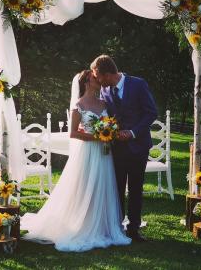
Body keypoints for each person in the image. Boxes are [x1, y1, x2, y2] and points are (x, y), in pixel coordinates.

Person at [20, 70, 131, 252]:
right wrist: (97, 136)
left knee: (101, 186)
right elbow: (73, 133)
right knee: (85, 185)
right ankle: (83, 223)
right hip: (87, 152)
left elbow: (111, 123)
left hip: (104, 153)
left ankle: (102, 224)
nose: (100, 80)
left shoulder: (103, 103)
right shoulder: (78, 105)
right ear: (88, 80)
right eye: (96, 77)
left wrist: (109, 132)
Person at [91, 55, 157, 242]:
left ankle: (134, 229)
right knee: (117, 188)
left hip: (138, 147)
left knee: (136, 188)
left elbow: (151, 112)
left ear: (108, 74)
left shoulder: (138, 84)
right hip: (117, 148)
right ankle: (116, 227)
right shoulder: (105, 90)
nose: (97, 80)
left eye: (98, 76)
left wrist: (133, 132)